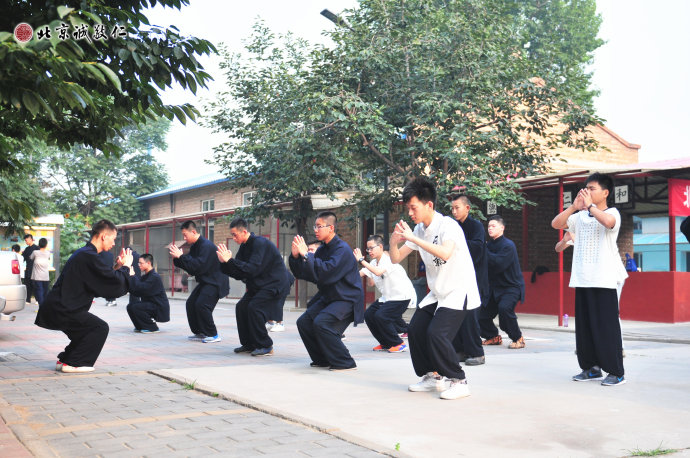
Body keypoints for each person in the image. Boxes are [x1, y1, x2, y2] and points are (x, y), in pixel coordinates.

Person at [389, 177, 480, 400]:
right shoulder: (419, 229)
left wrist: (413, 238)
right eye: (408, 208)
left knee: (437, 334)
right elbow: (396, 258)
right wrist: (393, 242)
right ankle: (433, 376)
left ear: (428, 205)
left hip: (459, 291)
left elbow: (445, 253)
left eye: (413, 208)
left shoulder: (449, 225)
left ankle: (459, 380)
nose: (410, 213)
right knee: (417, 329)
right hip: (438, 293)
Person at [551, 172, 626, 386]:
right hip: (582, 278)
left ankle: (616, 371)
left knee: (606, 327)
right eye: (586, 188)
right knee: (585, 328)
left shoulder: (612, 212)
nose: (587, 191)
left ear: (605, 192)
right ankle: (591, 368)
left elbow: (609, 222)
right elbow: (556, 224)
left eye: (592, 188)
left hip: (604, 279)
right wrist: (574, 207)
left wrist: (591, 206)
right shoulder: (579, 217)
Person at [35, 219, 134, 373]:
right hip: (64, 309)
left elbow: (101, 280)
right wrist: (127, 268)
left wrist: (118, 267)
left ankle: (66, 359)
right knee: (99, 328)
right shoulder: (88, 256)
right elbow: (110, 283)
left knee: (85, 330)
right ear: (103, 236)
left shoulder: (86, 254)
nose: (114, 243)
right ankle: (74, 363)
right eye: (113, 239)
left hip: (59, 307)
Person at [289, 212, 363, 371]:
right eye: (315, 226)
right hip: (329, 297)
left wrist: (307, 255)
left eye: (319, 226)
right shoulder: (322, 249)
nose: (316, 230)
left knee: (322, 323)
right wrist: (295, 257)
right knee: (304, 322)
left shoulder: (342, 249)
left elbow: (326, 272)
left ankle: (345, 362)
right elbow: (307, 273)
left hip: (346, 298)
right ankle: (322, 359)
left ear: (331, 228)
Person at [217, 218, 293, 356]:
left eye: (235, 235)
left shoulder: (260, 243)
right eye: (232, 235)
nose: (233, 238)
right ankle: (249, 344)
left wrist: (230, 261)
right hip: (259, 285)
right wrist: (225, 263)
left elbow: (252, 269)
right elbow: (239, 272)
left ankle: (266, 345)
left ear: (244, 231)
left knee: (255, 307)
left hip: (274, 284)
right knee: (241, 307)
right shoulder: (244, 247)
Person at [170, 220, 229, 343]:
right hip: (206, 281)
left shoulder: (206, 245)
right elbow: (190, 266)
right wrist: (178, 258)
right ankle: (201, 332)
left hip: (215, 282)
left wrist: (181, 257)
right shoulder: (195, 246)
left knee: (202, 305)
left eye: (185, 235)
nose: (184, 238)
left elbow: (198, 266)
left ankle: (213, 334)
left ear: (194, 231)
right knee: (191, 303)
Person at [355, 234, 416, 353]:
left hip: (401, 296)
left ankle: (398, 343)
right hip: (387, 298)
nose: (369, 251)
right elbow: (360, 274)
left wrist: (361, 260)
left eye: (372, 248)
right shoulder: (373, 263)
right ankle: (386, 343)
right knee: (369, 315)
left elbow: (378, 272)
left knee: (381, 316)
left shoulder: (388, 259)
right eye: (368, 249)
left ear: (381, 247)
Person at [450, 194, 488, 365]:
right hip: (456, 277)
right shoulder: (453, 226)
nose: (454, 211)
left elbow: (478, 249)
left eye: (457, 207)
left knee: (471, 316)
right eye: (452, 208)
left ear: (467, 208)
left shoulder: (476, 226)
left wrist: (458, 242)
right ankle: (460, 350)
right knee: (457, 314)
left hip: (474, 278)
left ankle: (477, 353)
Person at [478, 215, 526, 349]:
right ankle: (493, 336)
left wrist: (483, 250)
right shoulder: (487, 245)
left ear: (502, 228)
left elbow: (499, 264)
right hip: (494, 288)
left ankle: (518, 338)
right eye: (488, 226)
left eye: (493, 226)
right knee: (481, 315)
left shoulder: (508, 245)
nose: (490, 228)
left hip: (511, 287)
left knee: (504, 310)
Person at [126, 253, 170, 333]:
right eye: (138, 263)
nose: (139, 265)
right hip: (150, 304)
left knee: (136, 307)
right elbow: (137, 290)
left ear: (149, 263)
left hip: (158, 306)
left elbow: (141, 287)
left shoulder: (154, 277)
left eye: (141, 263)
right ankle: (140, 326)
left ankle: (152, 327)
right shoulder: (146, 276)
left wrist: (133, 276)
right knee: (130, 306)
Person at [30, 238, 51, 307]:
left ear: (39, 244)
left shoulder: (35, 252)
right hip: (45, 276)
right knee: (45, 292)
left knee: (39, 292)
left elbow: (30, 258)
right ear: (46, 245)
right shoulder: (48, 253)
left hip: (37, 277)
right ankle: (43, 307)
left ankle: (41, 306)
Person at [22, 234, 38, 305]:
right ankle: (28, 300)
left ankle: (37, 299)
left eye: (26, 240)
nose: (26, 242)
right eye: (25, 241)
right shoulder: (26, 249)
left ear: (31, 239)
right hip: (28, 269)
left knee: (35, 285)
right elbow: (23, 259)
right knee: (27, 284)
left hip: (35, 269)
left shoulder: (37, 248)